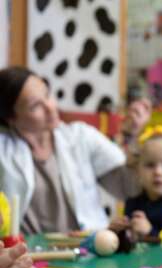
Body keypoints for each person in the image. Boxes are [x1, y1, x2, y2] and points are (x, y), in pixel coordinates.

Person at [0, 66, 151, 235]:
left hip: (90, 250)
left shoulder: (80, 136)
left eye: (47, 95)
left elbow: (129, 188)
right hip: (31, 255)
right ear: (11, 117)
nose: (51, 107)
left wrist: (133, 137)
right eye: (35, 106)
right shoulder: (3, 151)